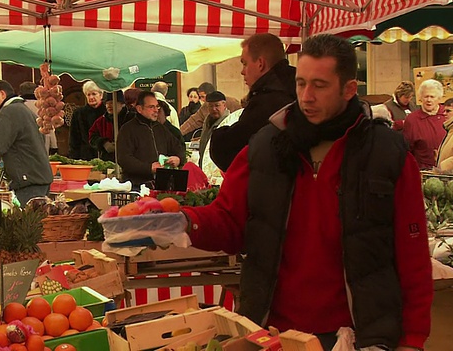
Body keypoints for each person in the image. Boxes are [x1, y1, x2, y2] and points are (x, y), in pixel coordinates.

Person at [180, 34, 432, 351]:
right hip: (274, 332)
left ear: (349, 89)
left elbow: (414, 256)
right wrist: (183, 222)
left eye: (320, 85)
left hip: (358, 335)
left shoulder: (386, 154)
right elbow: (229, 222)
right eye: (301, 83)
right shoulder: (265, 147)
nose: (306, 96)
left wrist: (412, 339)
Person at [209, 33, 297, 172]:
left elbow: (229, 151)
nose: (242, 72)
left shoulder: (268, 101)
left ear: (260, 63)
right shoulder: (290, 89)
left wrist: (217, 134)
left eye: (245, 63)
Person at [117, 91, 186, 188]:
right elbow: (124, 159)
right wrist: (149, 168)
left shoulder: (161, 129)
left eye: (157, 106)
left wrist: (178, 159)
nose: (156, 110)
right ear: (139, 109)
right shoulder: (127, 130)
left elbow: (178, 148)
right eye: (151, 107)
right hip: (137, 185)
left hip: (164, 183)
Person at [402, 79, 447, 170]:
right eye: (426, 96)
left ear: (439, 98)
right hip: (422, 171)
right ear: (420, 98)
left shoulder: (447, 115)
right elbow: (406, 150)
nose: (429, 100)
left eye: (432, 97)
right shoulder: (412, 119)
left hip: (448, 171)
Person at [69, 81, 106, 160]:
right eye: (88, 94)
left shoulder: (107, 112)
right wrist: (74, 159)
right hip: (85, 157)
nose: (91, 97)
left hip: (106, 155)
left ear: (101, 95)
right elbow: (74, 139)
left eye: (94, 94)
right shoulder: (78, 113)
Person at [19, 81, 58, 155]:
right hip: (43, 145)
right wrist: (54, 145)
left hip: (23, 147)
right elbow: (50, 127)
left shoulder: (17, 107)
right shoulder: (44, 106)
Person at [89, 91, 124, 161]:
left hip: (128, 161)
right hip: (107, 161)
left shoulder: (131, 118)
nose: (108, 106)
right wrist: (104, 143)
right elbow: (92, 137)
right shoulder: (101, 121)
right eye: (106, 103)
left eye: (111, 102)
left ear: (122, 104)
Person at [198, 91, 230, 167]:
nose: (214, 109)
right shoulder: (207, 121)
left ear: (224, 105)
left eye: (217, 105)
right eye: (210, 106)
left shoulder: (229, 123)